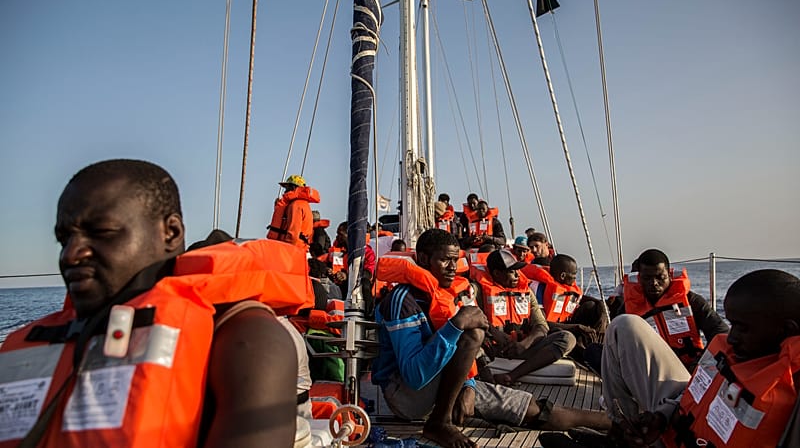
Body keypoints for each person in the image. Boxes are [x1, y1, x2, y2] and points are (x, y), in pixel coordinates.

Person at [0, 159, 305, 447]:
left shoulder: (247, 339)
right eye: (64, 239)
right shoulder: (45, 336)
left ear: (170, 233)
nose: (71, 254)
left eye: (101, 233)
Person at [372, 229, 610, 448]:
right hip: (407, 397)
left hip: (447, 386)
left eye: (455, 260)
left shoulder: (452, 293)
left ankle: (614, 423)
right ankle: (440, 423)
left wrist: (469, 385)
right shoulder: (402, 301)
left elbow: (539, 326)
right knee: (472, 330)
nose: (452, 267)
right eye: (445, 260)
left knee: (531, 409)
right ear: (423, 260)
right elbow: (414, 376)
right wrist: (456, 324)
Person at [543, 269, 800, 448]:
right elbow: (694, 396)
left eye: (743, 328)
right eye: (732, 325)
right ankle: (621, 431)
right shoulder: (740, 350)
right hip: (678, 426)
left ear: (786, 331)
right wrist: (662, 417)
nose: (731, 338)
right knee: (624, 327)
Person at [474, 250, 576, 386]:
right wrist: (493, 332)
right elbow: (470, 318)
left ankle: (511, 376)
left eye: (517, 270)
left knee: (567, 338)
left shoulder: (525, 291)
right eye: (512, 271)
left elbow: (541, 325)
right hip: (494, 349)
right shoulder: (477, 289)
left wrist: (524, 344)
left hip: (522, 347)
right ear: (497, 273)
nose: (517, 275)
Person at [618, 249, 729, 370]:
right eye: (647, 278)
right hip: (652, 373)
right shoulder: (627, 311)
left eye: (660, 277)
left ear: (669, 275)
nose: (654, 283)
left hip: (690, 369)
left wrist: (703, 361)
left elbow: (720, 332)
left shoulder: (692, 301)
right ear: (639, 278)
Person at [267, 174, 320, 250]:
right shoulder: (300, 204)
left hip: (294, 250)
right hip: (298, 248)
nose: (285, 191)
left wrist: (287, 251)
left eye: (287, 188)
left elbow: (293, 234)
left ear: (293, 187)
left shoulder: (296, 205)